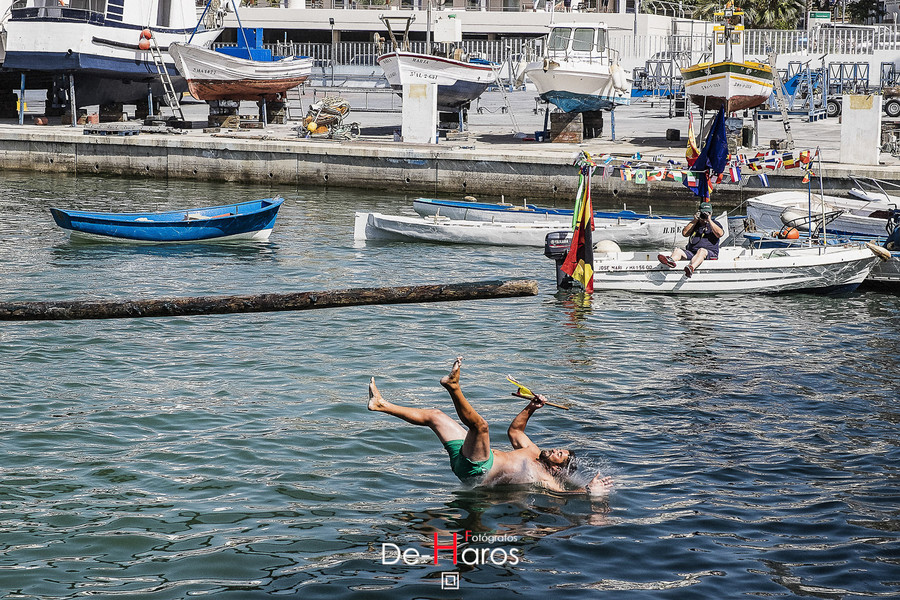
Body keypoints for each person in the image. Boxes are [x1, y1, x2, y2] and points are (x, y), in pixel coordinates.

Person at [367, 356, 612, 494]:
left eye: (560, 455)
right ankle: (381, 404)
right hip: (469, 457)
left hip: (478, 469)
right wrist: (531, 408)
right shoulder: (533, 451)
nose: (557, 450)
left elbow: (561, 494)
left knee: (481, 427)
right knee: (435, 416)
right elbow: (514, 431)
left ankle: (453, 386)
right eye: (560, 448)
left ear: (558, 469)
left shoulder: (545, 476)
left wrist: (588, 491)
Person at [657, 200, 724, 278]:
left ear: (711, 213)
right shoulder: (695, 224)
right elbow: (685, 233)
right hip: (692, 253)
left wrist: (709, 220)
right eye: (703, 213)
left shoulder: (715, 224)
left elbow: (720, 234)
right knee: (677, 250)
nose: (704, 216)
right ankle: (670, 260)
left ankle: (691, 268)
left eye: (707, 213)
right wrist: (695, 220)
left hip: (709, 254)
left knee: (701, 251)